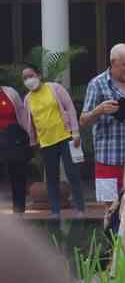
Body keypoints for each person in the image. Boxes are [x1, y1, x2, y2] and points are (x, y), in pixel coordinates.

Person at [80, 44, 125, 208]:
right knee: (111, 209)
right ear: (113, 63)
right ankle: (111, 235)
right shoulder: (97, 84)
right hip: (108, 159)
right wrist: (99, 110)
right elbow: (83, 120)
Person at [22, 63, 86, 216]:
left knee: (72, 173)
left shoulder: (54, 88)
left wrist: (75, 132)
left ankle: (80, 208)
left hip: (65, 137)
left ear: (39, 75)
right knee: (51, 177)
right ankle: (55, 210)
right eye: (24, 78)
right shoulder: (27, 99)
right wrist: (33, 140)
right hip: (46, 142)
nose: (28, 80)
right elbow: (28, 121)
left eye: (30, 76)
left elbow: (70, 108)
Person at [0, 84, 32, 213]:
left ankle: (19, 208)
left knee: (17, 173)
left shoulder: (10, 92)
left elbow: (22, 114)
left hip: (14, 136)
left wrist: (31, 136)